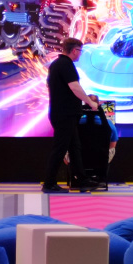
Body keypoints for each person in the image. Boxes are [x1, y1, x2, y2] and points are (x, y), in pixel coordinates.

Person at [42, 37, 97, 193]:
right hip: (64, 114)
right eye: (80, 51)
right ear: (74, 50)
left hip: (63, 113)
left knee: (74, 147)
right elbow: (75, 87)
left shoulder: (55, 65)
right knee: (60, 148)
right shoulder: (66, 65)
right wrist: (89, 102)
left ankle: (80, 180)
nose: (80, 54)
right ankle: (49, 184)